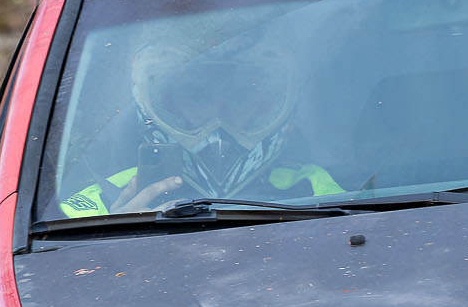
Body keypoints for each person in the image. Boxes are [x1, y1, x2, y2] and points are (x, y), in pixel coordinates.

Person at [55, 36, 343, 218]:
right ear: (169, 103)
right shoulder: (98, 203)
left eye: (241, 93)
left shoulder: (313, 187)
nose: (220, 112)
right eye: (197, 94)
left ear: (266, 104)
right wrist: (115, 231)